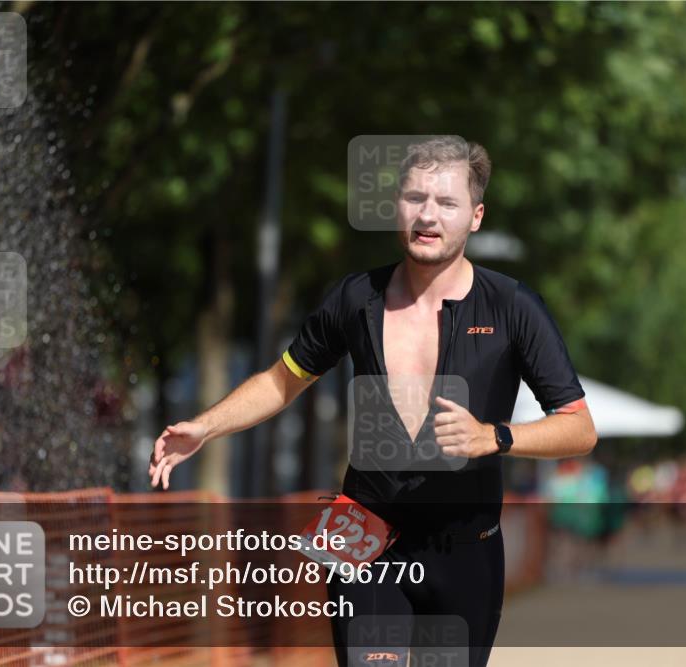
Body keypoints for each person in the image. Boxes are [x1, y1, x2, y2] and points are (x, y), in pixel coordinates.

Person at [149, 135, 597, 666]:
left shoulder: (512, 307)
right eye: (415, 198)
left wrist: (492, 437)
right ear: (396, 206)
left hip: (465, 551)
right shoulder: (354, 297)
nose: (427, 215)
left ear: (475, 217)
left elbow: (579, 427)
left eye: (446, 203)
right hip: (364, 538)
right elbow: (281, 380)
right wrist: (205, 427)